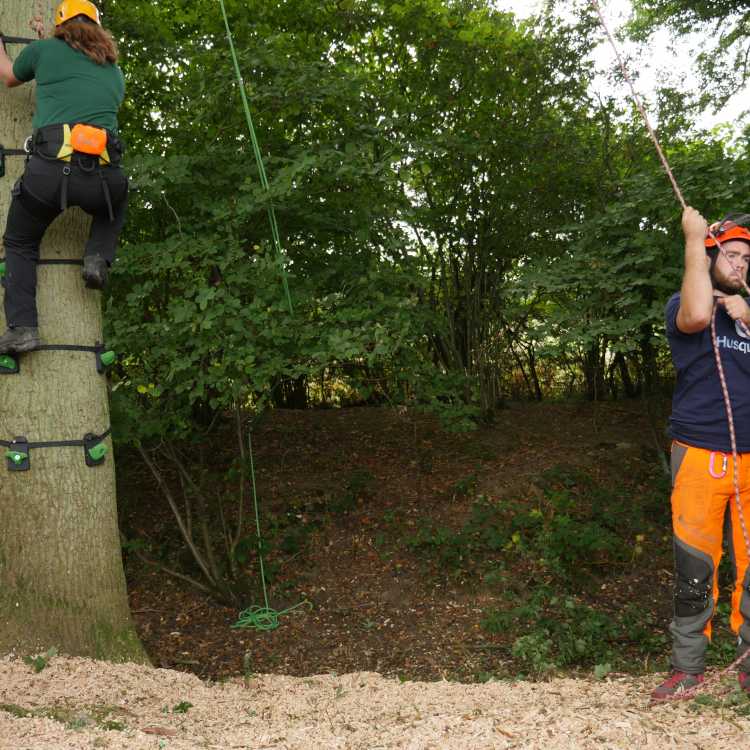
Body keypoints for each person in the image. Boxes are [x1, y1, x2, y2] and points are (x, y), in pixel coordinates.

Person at [653, 206, 750, 701]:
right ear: (712, 255)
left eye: (746, 260)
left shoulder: (747, 316)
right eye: (731, 255)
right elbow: (692, 315)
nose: (739, 266)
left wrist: (748, 314)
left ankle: (748, 667)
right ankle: (688, 669)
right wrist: (694, 240)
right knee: (696, 568)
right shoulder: (686, 304)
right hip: (698, 455)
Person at [0, 0, 127, 353]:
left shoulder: (42, 50)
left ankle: (23, 328)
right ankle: (97, 257)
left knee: (20, 243)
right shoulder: (115, 73)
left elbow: (10, 76)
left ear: (59, 26)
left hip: (50, 173)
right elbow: (75, 77)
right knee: (116, 203)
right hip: (104, 176)